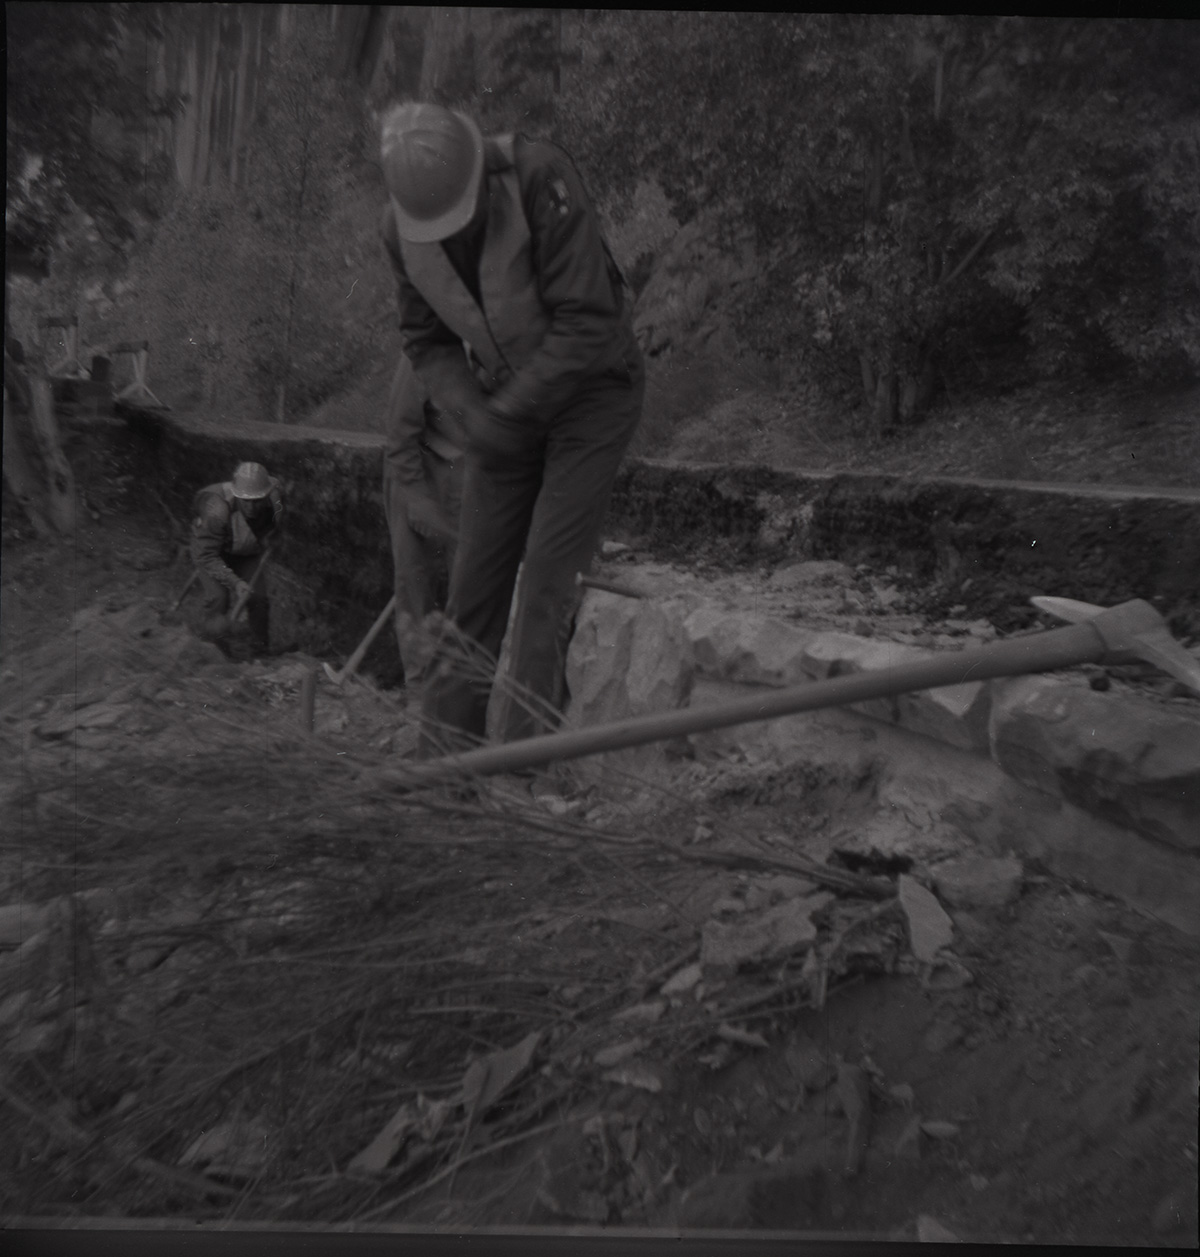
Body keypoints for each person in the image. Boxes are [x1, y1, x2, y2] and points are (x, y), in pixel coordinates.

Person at [379, 101, 644, 754]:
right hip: (503, 407)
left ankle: (524, 769)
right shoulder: (402, 232)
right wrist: (475, 416)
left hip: (591, 395)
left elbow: (589, 319)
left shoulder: (539, 180)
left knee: (548, 577)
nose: (456, 233)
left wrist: (504, 415)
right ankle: (445, 759)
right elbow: (427, 340)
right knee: (474, 586)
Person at [381, 352, 464, 688]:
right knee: (415, 577)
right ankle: (419, 685)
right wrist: (417, 500)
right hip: (414, 465)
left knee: (472, 578)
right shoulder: (426, 349)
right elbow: (400, 438)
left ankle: (462, 684)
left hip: (468, 473)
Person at [190, 461, 283, 656]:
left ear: (265, 495)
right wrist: (235, 582)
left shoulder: (275, 499)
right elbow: (207, 555)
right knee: (219, 598)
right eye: (245, 501)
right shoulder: (217, 510)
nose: (251, 507)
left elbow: (279, 523)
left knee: (258, 597)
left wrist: (274, 535)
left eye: (257, 500)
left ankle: (260, 649)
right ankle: (215, 652)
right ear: (237, 495)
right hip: (213, 551)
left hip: (245, 549)